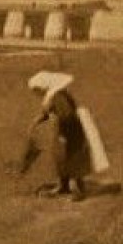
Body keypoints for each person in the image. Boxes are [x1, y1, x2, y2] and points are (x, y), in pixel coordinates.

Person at [20, 71, 92, 200]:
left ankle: (78, 190)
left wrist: (63, 135)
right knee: (60, 158)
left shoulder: (58, 96)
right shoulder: (53, 95)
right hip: (63, 130)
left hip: (69, 130)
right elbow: (49, 111)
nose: (37, 93)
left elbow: (66, 116)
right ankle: (63, 186)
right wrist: (39, 119)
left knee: (72, 158)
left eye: (37, 89)